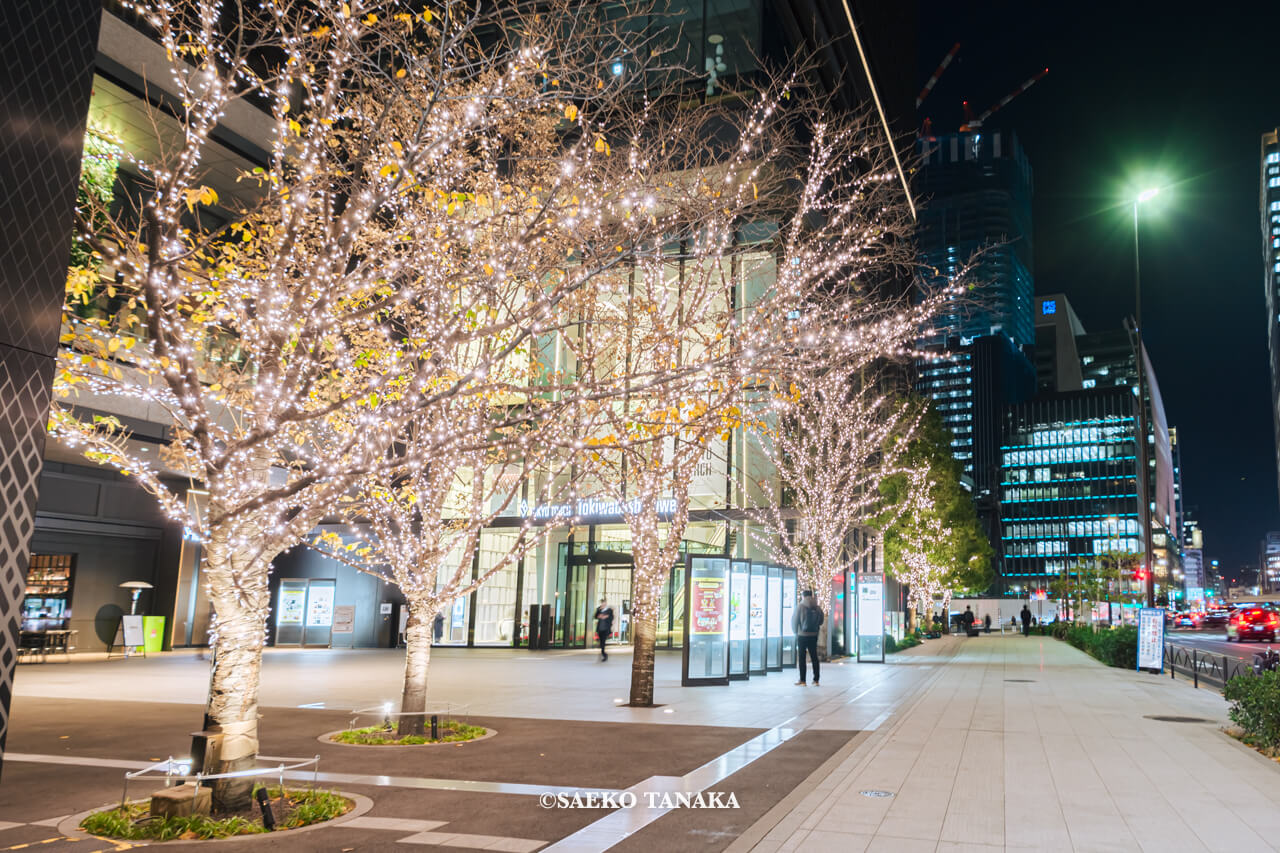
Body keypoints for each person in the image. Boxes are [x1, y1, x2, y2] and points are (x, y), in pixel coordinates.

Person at [792, 589, 824, 686]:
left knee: (802, 658)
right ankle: (816, 680)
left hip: (802, 635)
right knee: (814, 657)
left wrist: (796, 632)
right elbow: (821, 621)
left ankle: (803, 680)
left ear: (803, 596)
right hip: (813, 635)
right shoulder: (817, 607)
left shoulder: (800, 606)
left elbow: (794, 620)